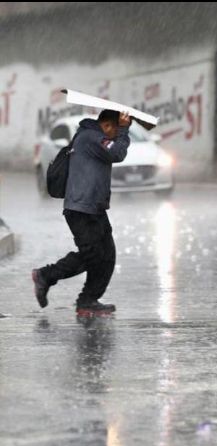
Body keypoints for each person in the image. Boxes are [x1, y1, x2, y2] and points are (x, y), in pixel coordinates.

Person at [32, 110, 131, 317]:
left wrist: (120, 129)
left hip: (93, 207)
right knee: (93, 255)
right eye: (115, 128)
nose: (115, 134)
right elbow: (117, 153)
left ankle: (88, 301)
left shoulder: (92, 136)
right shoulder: (91, 137)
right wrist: (124, 129)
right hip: (81, 208)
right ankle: (46, 275)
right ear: (108, 125)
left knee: (107, 255)